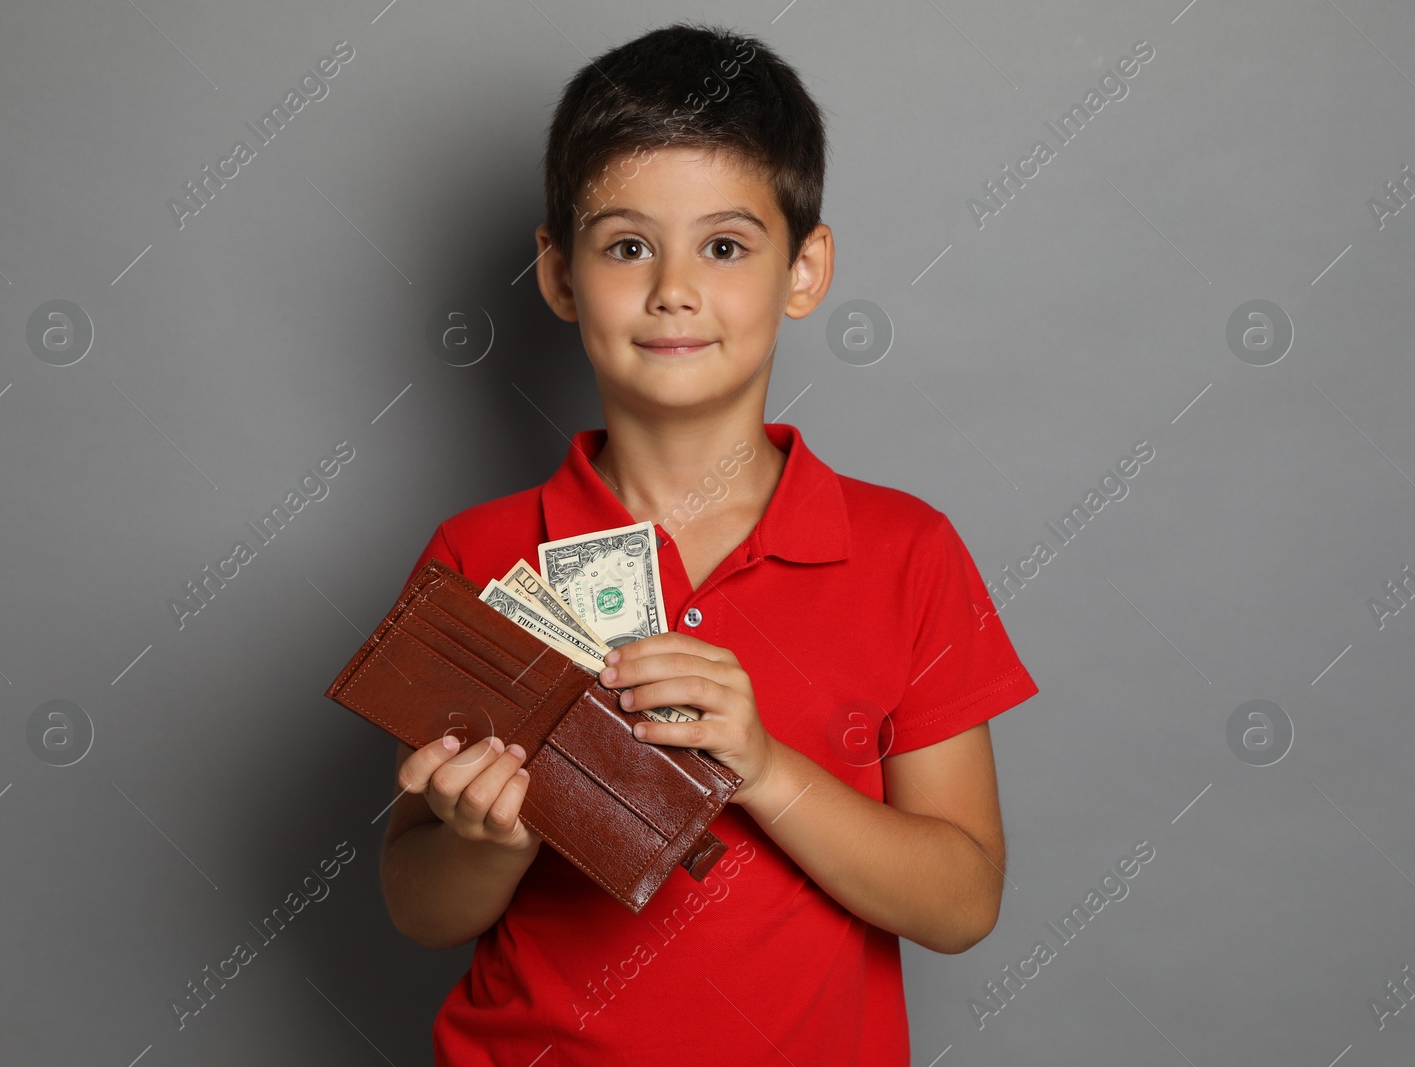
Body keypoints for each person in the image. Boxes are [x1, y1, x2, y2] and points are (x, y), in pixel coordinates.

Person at [379, 21, 1038, 1065]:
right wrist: (485, 840)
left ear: (804, 268)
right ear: (557, 274)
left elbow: (960, 904)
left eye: (724, 245)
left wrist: (766, 767)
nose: (673, 288)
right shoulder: (482, 551)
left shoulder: (908, 550)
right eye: (627, 244)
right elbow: (419, 904)